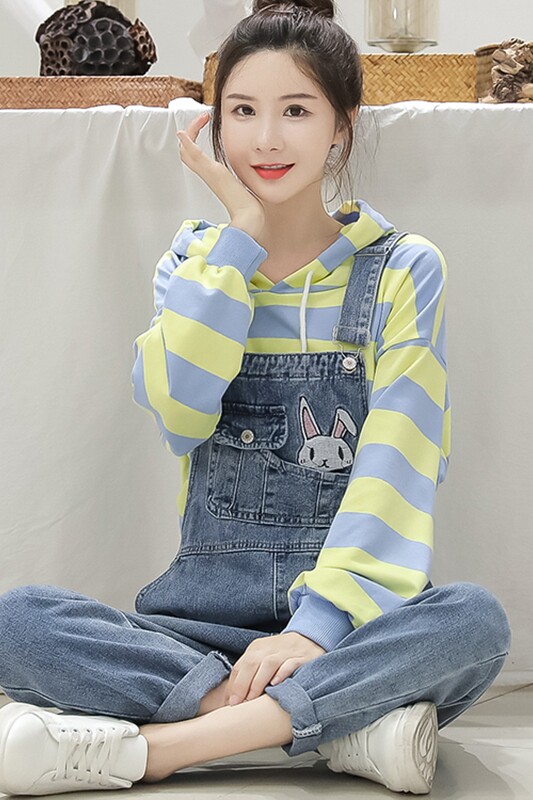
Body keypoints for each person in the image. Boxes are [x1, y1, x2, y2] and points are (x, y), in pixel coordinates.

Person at [0, 0, 511, 796]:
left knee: (472, 621)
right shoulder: (195, 266)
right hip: (197, 629)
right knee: (18, 621)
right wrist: (237, 237)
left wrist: (315, 629)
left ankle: (161, 749)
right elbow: (180, 413)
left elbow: (400, 458)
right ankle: (338, 730)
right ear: (215, 126)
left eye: (296, 110)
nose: (266, 139)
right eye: (242, 111)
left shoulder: (401, 268)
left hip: (347, 625)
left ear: (340, 125)